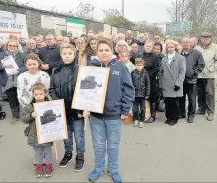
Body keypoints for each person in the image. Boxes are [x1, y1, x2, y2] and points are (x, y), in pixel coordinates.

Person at [83, 39, 135, 183]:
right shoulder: (91, 67)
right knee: (98, 145)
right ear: (96, 52)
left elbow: (129, 90)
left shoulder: (120, 67)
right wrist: (84, 107)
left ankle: (113, 169)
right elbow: (84, 90)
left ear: (112, 51)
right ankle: (98, 169)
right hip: (95, 116)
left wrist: (125, 109)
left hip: (114, 115)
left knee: (113, 145)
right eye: (101, 50)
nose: (104, 53)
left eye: (106, 50)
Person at [49, 44, 85, 172]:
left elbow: (85, 91)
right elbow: (52, 88)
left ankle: (80, 155)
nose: (67, 56)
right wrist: (56, 102)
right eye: (65, 54)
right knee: (67, 135)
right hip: (62, 108)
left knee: (79, 135)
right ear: (61, 55)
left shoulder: (80, 70)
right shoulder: (55, 71)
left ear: (74, 55)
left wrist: (83, 110)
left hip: (77, 109)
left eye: (70, 53)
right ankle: (68, 153)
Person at [20, 83, 53, 178]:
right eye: (36, 94)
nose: (39, 96)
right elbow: (23, 118)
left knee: (47, 151)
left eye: (41, 94)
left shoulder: (50, 105)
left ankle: (48, 166)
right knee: (38, 152)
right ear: (33, 95)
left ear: (45, 94)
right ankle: (38, 166)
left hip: (47, 134)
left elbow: (55, 116)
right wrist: (31, 115)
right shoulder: (30, 107)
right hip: (35, 134)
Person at [0, 39, 27, 122]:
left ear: (17, 47)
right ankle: (16, 116)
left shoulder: (22, 55)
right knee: (12, 100)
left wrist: (18, 71)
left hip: (20, 81)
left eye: (14, 46)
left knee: (24, 99)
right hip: (8, 82)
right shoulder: (2, 57)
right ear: (7, 46)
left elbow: (27, 66)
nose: (12, 47)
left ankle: (26, 116)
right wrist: (3, 65)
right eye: (10, 45)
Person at [195, 32, 217, 121]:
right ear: (200, 39)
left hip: (209, 75)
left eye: (208, 37)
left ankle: (210, 112)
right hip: (199, 75)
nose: (206, 39)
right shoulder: (197, 48)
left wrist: (211, 69)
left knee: (210, 94)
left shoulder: (216, 48)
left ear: (211, 38)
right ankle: (201, 109)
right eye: (204, 37)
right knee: (200, 93)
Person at [159, 40, 186, 126]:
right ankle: (169, 117)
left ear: (175, 48)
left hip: (175, 85)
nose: (170, 49)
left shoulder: (180, 58)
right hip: (166, 84)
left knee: (175, 103)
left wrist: (178, 83)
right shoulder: (164, 59)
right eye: (168, 47)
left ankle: (175, 118)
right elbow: (161, 72)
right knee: (167, 103)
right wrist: (161, 84)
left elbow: (182, 72)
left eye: (172, 47)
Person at [179, 38, 205, 123]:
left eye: (187, 42)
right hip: (182, 81)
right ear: (181, 44)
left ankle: (191, 115)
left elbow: (201, 65)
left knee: (192, 99)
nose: (185, 43)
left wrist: (194, 72)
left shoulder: (196, 53)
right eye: (184, 42)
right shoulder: (179, 53)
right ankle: (182, 113)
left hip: (192, 80)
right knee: (181, 98)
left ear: (190, 43)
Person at [142, 41, 162, 123]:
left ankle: (152, 115)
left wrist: (147, 76)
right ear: (144, 46)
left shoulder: (155, 56)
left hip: (151, 80)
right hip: (141, 80)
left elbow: (156, 69)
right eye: (147, 46)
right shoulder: (140, 55)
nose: (148, 47)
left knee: (152, 97)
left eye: (150, 46)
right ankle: (142, 114)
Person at [131, 58, 150, 128]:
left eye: (140, 65)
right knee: (135, 108)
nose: (139, 67)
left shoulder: (145, 73)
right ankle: (136, 119)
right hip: (135, 94)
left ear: (143, 65)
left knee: (142, 108)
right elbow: (130, 83)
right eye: (137, 65)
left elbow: (148, 84)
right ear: (135, 65)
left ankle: (142, 120)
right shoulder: (132, 73)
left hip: (143, 94)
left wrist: (147, 94)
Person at [153, 42, 165, 112]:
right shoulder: (150, 57)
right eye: (154, 49)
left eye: (158, 49)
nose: (156, 50)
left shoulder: (164, 58)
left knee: (161, 93)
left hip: (161, 79)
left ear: (161, 50)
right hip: (152, 78)